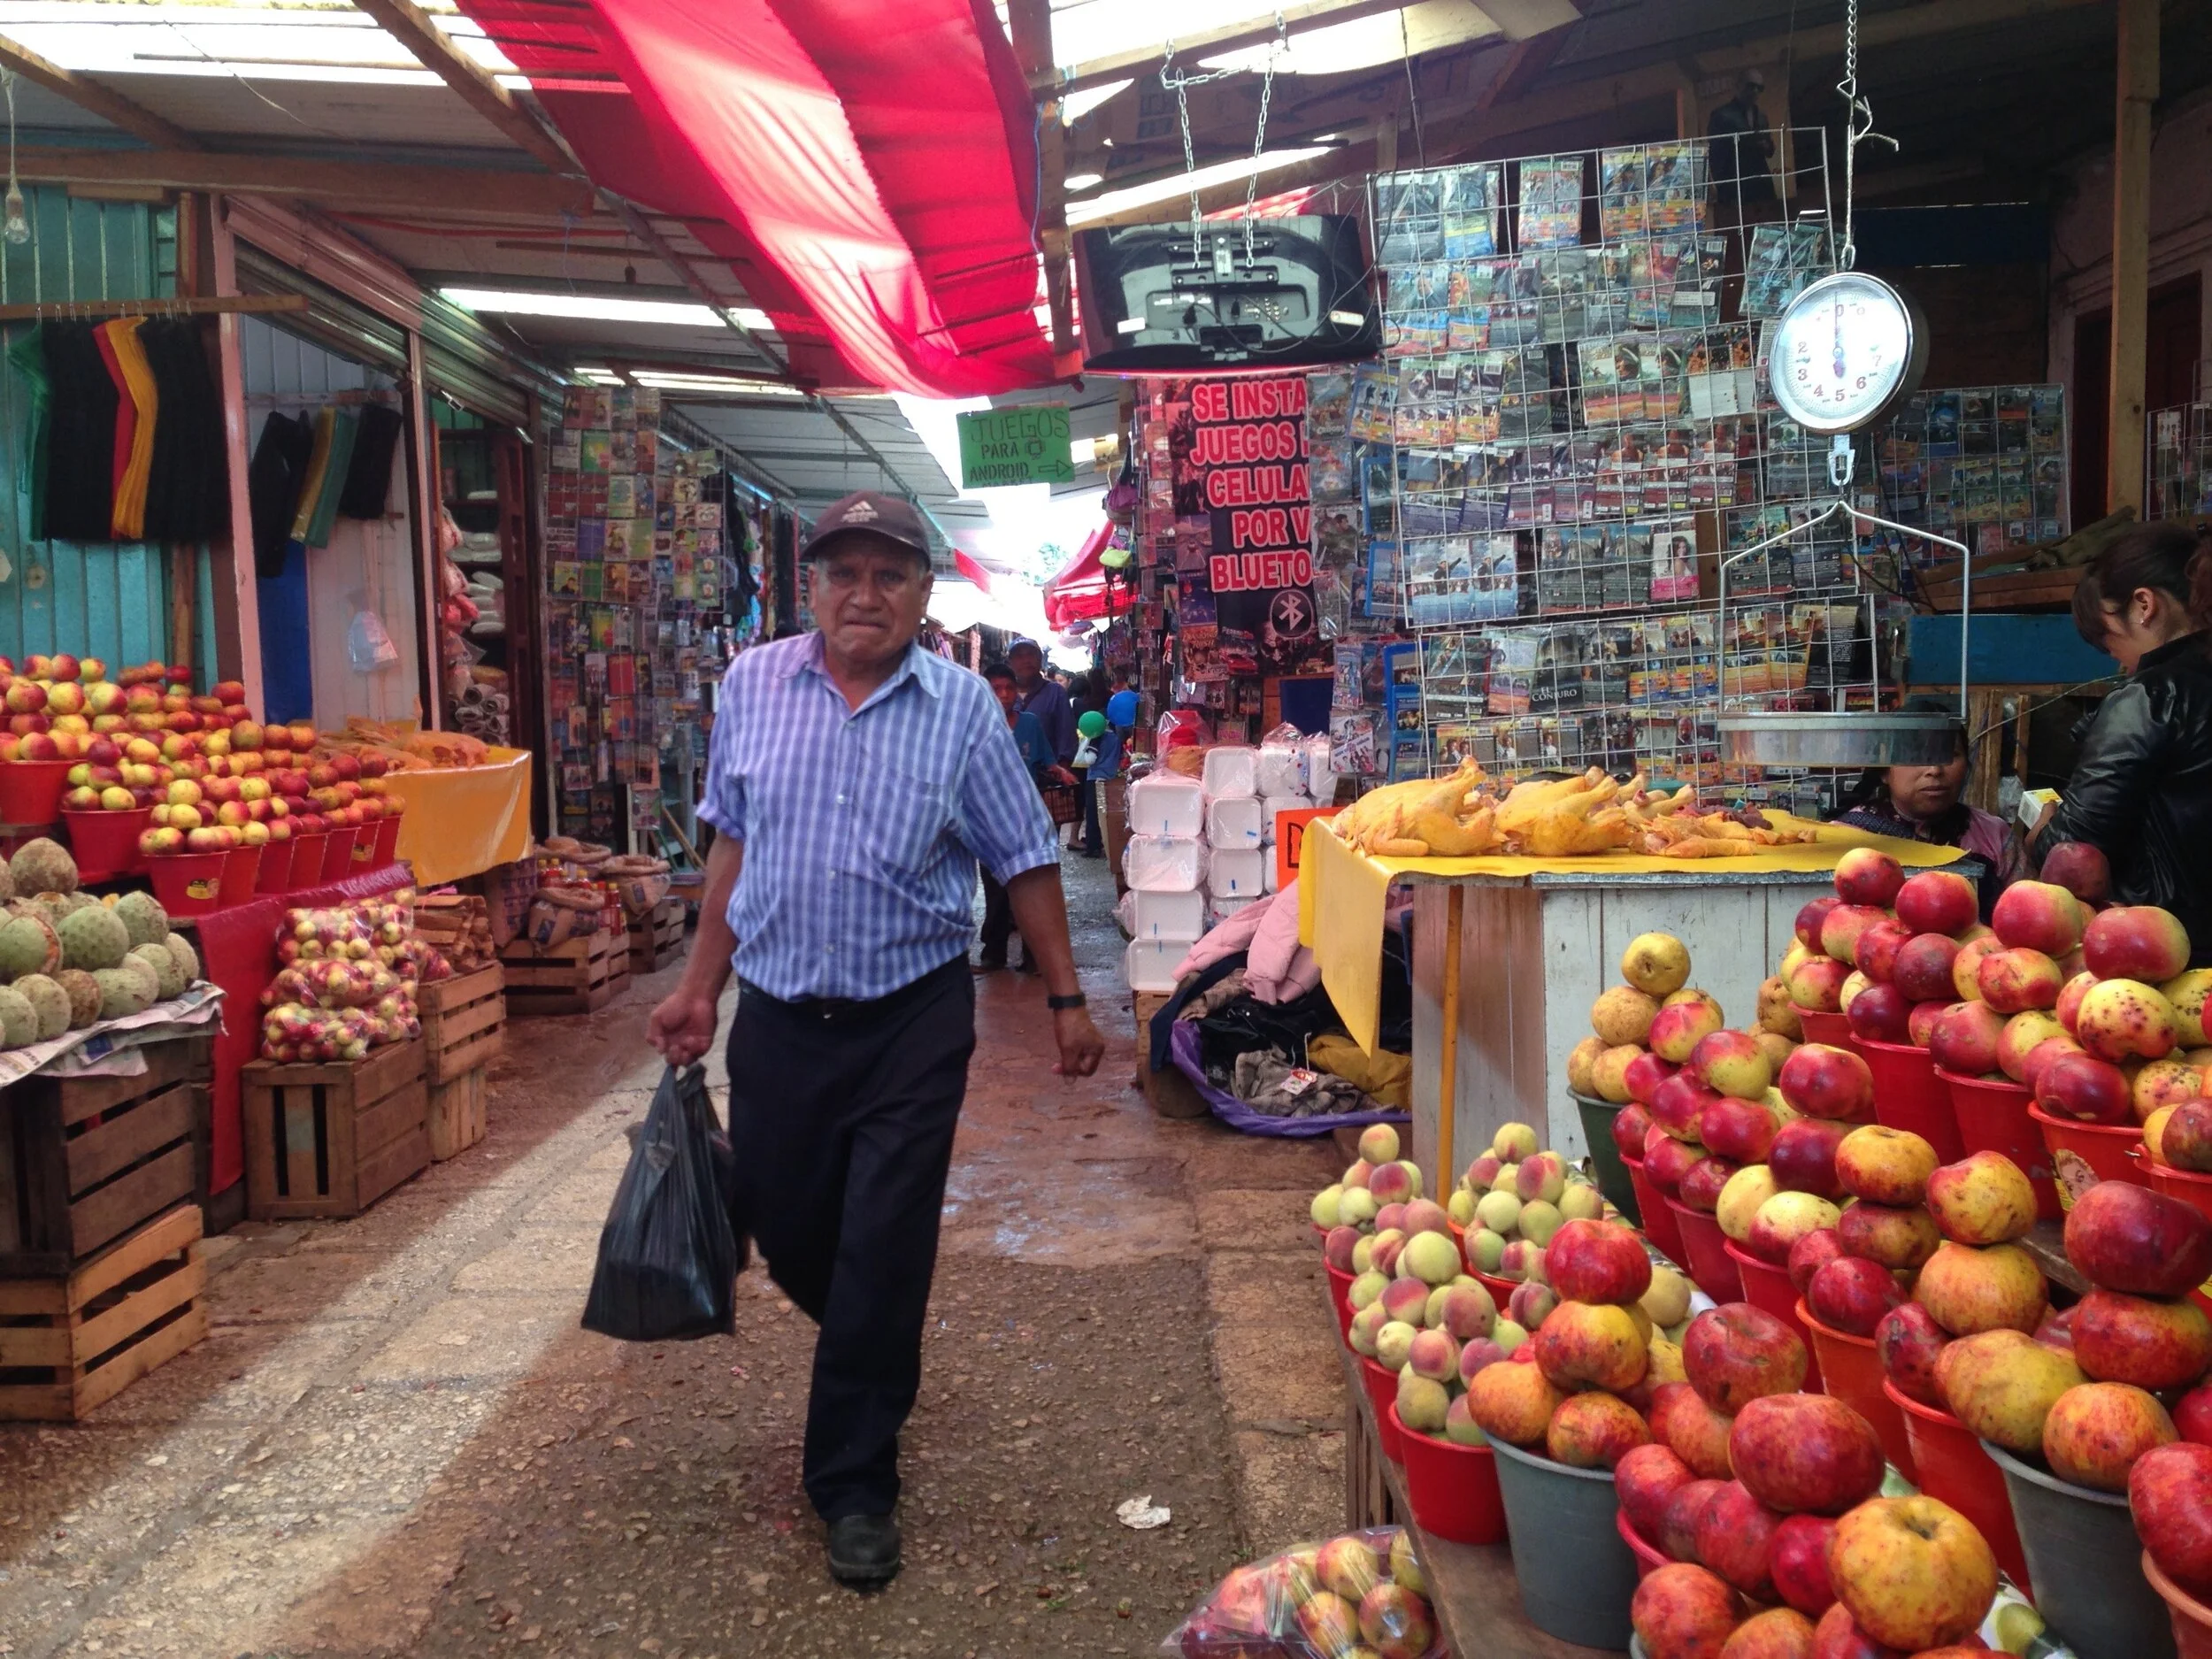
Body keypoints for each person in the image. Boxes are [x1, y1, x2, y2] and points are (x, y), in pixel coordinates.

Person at [648, 492, 1106, 1590]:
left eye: (889, 574)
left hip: (912, 1014)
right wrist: (698, 989)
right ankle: (868, 1339)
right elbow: (730, 845)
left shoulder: (961, 712)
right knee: (795, 1226)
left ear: (921, 595)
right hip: (778, 1016)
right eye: (843, 572)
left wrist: (1064, 998)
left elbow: (1023, 858)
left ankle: (854, 1480)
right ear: (810, 587)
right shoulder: (754, 686)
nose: (865, 594)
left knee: (885, 1244)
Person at [2032, 523, 2212, 960]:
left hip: (2171, 949)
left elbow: (2073, 850)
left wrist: (2042, 830)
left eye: (2106, 638)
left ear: (2144, 606)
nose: (2115, 659)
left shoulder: (2148, 698)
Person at [1829, 702, 2029, 919]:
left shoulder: (1994, 836)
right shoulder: (1845, 841)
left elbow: (2027, 915)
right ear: (1885, 771)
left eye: (1948, 755)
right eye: (1917, 757)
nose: (1935, 770)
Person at [977, 660, 1069, 970]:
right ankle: (994, 953)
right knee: (996, 891)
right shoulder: (975, 725)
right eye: (996, 689)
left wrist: (1060, 771)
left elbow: (1045, 759)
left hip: (1027, 817)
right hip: (988, 820)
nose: (1003, 695)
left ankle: (1034, 958)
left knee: (1030, 889)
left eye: (1008, 688)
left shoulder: (1029, 723)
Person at [1706, 71, 1776, 219]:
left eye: (1760, 88)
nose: (1756, 91)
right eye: (1751, 86)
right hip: (1735, 185)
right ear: (1738, 86)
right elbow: (1716, 156)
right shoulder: (1721, 115)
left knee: (1769, 226)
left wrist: (1765, 145)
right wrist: (1722, 188)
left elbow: (1770, 149)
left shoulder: (1761, 117)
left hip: (1761, 184)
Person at [1007, 637, 1075, 766]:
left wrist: (1061, 772)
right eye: (1019, 656)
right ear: (1010, 662)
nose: (1026, 660)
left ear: (1040, 659)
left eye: (1031, 655)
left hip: (1047, 780)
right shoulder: (1003, 695)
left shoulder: (1055, 692)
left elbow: (1067, 738)